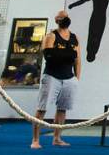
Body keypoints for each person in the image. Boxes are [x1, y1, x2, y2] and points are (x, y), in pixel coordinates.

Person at [31, 10, 80, 149]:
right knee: (41, 109)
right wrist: (66, 54)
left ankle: (57, 138)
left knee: (62, 109)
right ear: (57, 19)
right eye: (63, 17)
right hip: (52, 76)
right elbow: (49, 56)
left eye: (67, 16)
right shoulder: (51, 36)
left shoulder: (74, 37)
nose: (66, 18)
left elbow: (77, 60)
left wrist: (77, 78)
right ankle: (35, 140)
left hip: (69, 78)